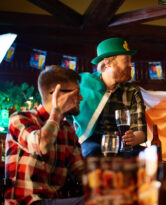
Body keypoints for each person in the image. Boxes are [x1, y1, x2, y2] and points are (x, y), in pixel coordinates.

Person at [4, 65, 85, 205]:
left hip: (55, 200)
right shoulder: (20, 119)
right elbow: (42, 145)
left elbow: (81, 172)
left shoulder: (68, 130)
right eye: (76, 93)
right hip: (26, 202)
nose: (81, 98)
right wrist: (57, 110)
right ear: (57, 95)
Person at [73, 37, 147, 157]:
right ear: (107, 63)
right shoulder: (83, 85)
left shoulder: (132, 90)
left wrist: (134, 138)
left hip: (122, 143)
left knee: (144, 156)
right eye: (126, 60)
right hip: (91, 142)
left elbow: (141, 130)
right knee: (92, 153)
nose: (130, 65)